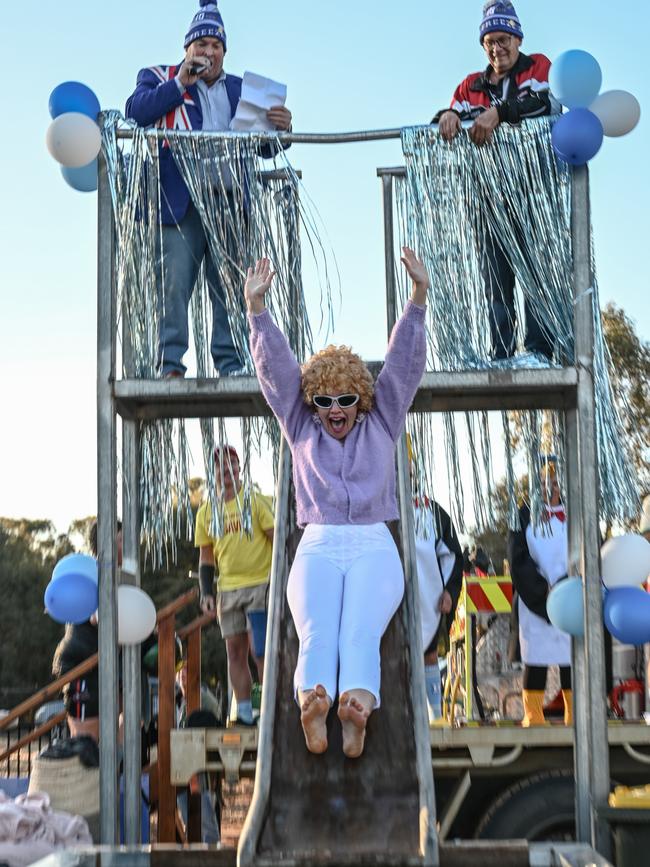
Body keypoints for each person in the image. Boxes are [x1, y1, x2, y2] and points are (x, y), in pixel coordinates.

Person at [245, 250, 429, 757]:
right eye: (324, 401)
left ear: (361, 401)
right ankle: (315, 706)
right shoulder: (300, 426)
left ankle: (356, 713)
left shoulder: (384, 422)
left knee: (359, 633)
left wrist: (417, 300)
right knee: (317, 631)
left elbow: (402, 369)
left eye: (345, 400)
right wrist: (257, 312)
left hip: (373, 542)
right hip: (320, 542)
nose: (334, 411)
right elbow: (278, 374)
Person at [125, 1, 293, 378]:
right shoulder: (159, 76)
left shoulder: (244, 89)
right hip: (179, 204)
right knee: (173, 285)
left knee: (231, 288)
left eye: (215, 45)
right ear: (187, 49)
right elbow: (135, 113)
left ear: (224, 52)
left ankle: (231, 364)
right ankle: (169, 365)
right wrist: (179, 84)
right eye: (200, 44)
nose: (208, 51)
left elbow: (264, 149)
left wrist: (282, 128)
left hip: (231, 204)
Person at [432, 1, 561, 363]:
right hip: (487, 195)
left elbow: (546, 104)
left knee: (536, 270)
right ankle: (501, 353)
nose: (497, 48)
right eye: (489, 41)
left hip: (533, 193)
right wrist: (446, 118)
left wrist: (500, 113)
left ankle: (539, 351)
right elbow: (447, 115)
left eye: (503, 39)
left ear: (517, 38)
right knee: (495, 276)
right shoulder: (469, 85)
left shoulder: (538, 66)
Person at [195, 445, 274, 726]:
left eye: (231, 465)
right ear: (213, 473)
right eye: (220, 466)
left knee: (259, 651)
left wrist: (284, 579)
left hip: (260, 585)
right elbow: (206, 557)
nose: (226, 471)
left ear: (239, 470)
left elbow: (276, 538)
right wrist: (206, 592)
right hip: (228, 590)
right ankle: (244, 712)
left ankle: (264, 708)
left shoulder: (254, 501)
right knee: (234, 652)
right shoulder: (205, 512)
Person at [508, 459, 572, 726]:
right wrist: (542, 591)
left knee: (573, 655)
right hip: (535, 598)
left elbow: (590, 548)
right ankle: (533, 713)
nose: (550, 488)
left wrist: (569, 585)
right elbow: (517, 557)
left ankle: (575, 710)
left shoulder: (576, 512)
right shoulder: (522, 516)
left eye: (555, 483)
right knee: (537, 656)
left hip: (570, 596)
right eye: (545, 483)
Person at [52, 520, 123, 742]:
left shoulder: (115, 575)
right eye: (121, 541)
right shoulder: (94, 574)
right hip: (81, 664)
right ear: (103, 545)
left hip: (100, 664)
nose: (126, 546)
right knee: (86, 743)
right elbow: (99, 617)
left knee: (114, 735)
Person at [414, 499, 464, 722]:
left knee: (429, 653)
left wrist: (449, 591)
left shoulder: (433, 512)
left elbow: (452, 555)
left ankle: (434, 715)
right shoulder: (375, 499)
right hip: (383, 590)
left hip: (426, 594)